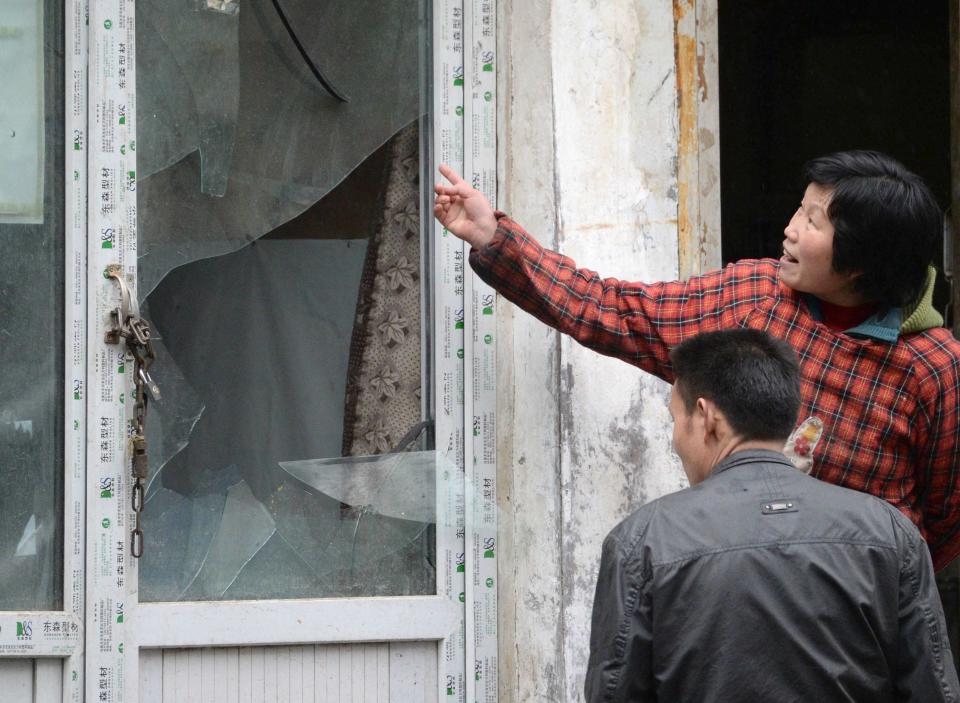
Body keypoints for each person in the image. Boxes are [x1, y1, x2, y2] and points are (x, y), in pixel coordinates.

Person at [434, 151, 960, 571]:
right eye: (801, 208)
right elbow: (618, 312)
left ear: (862, 265)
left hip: (864, 624)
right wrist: (494, 238)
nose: (791, 229)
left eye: (814, 222)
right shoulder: (755, 296)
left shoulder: (932, 369)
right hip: (743, 593)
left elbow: (945, 522)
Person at [583, 328, 959, 702]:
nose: (675, 438)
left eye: (674, 420)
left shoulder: (642, 541)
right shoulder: (890, 532)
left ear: (706, 416)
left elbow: (615, 694)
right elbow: (933, 690)